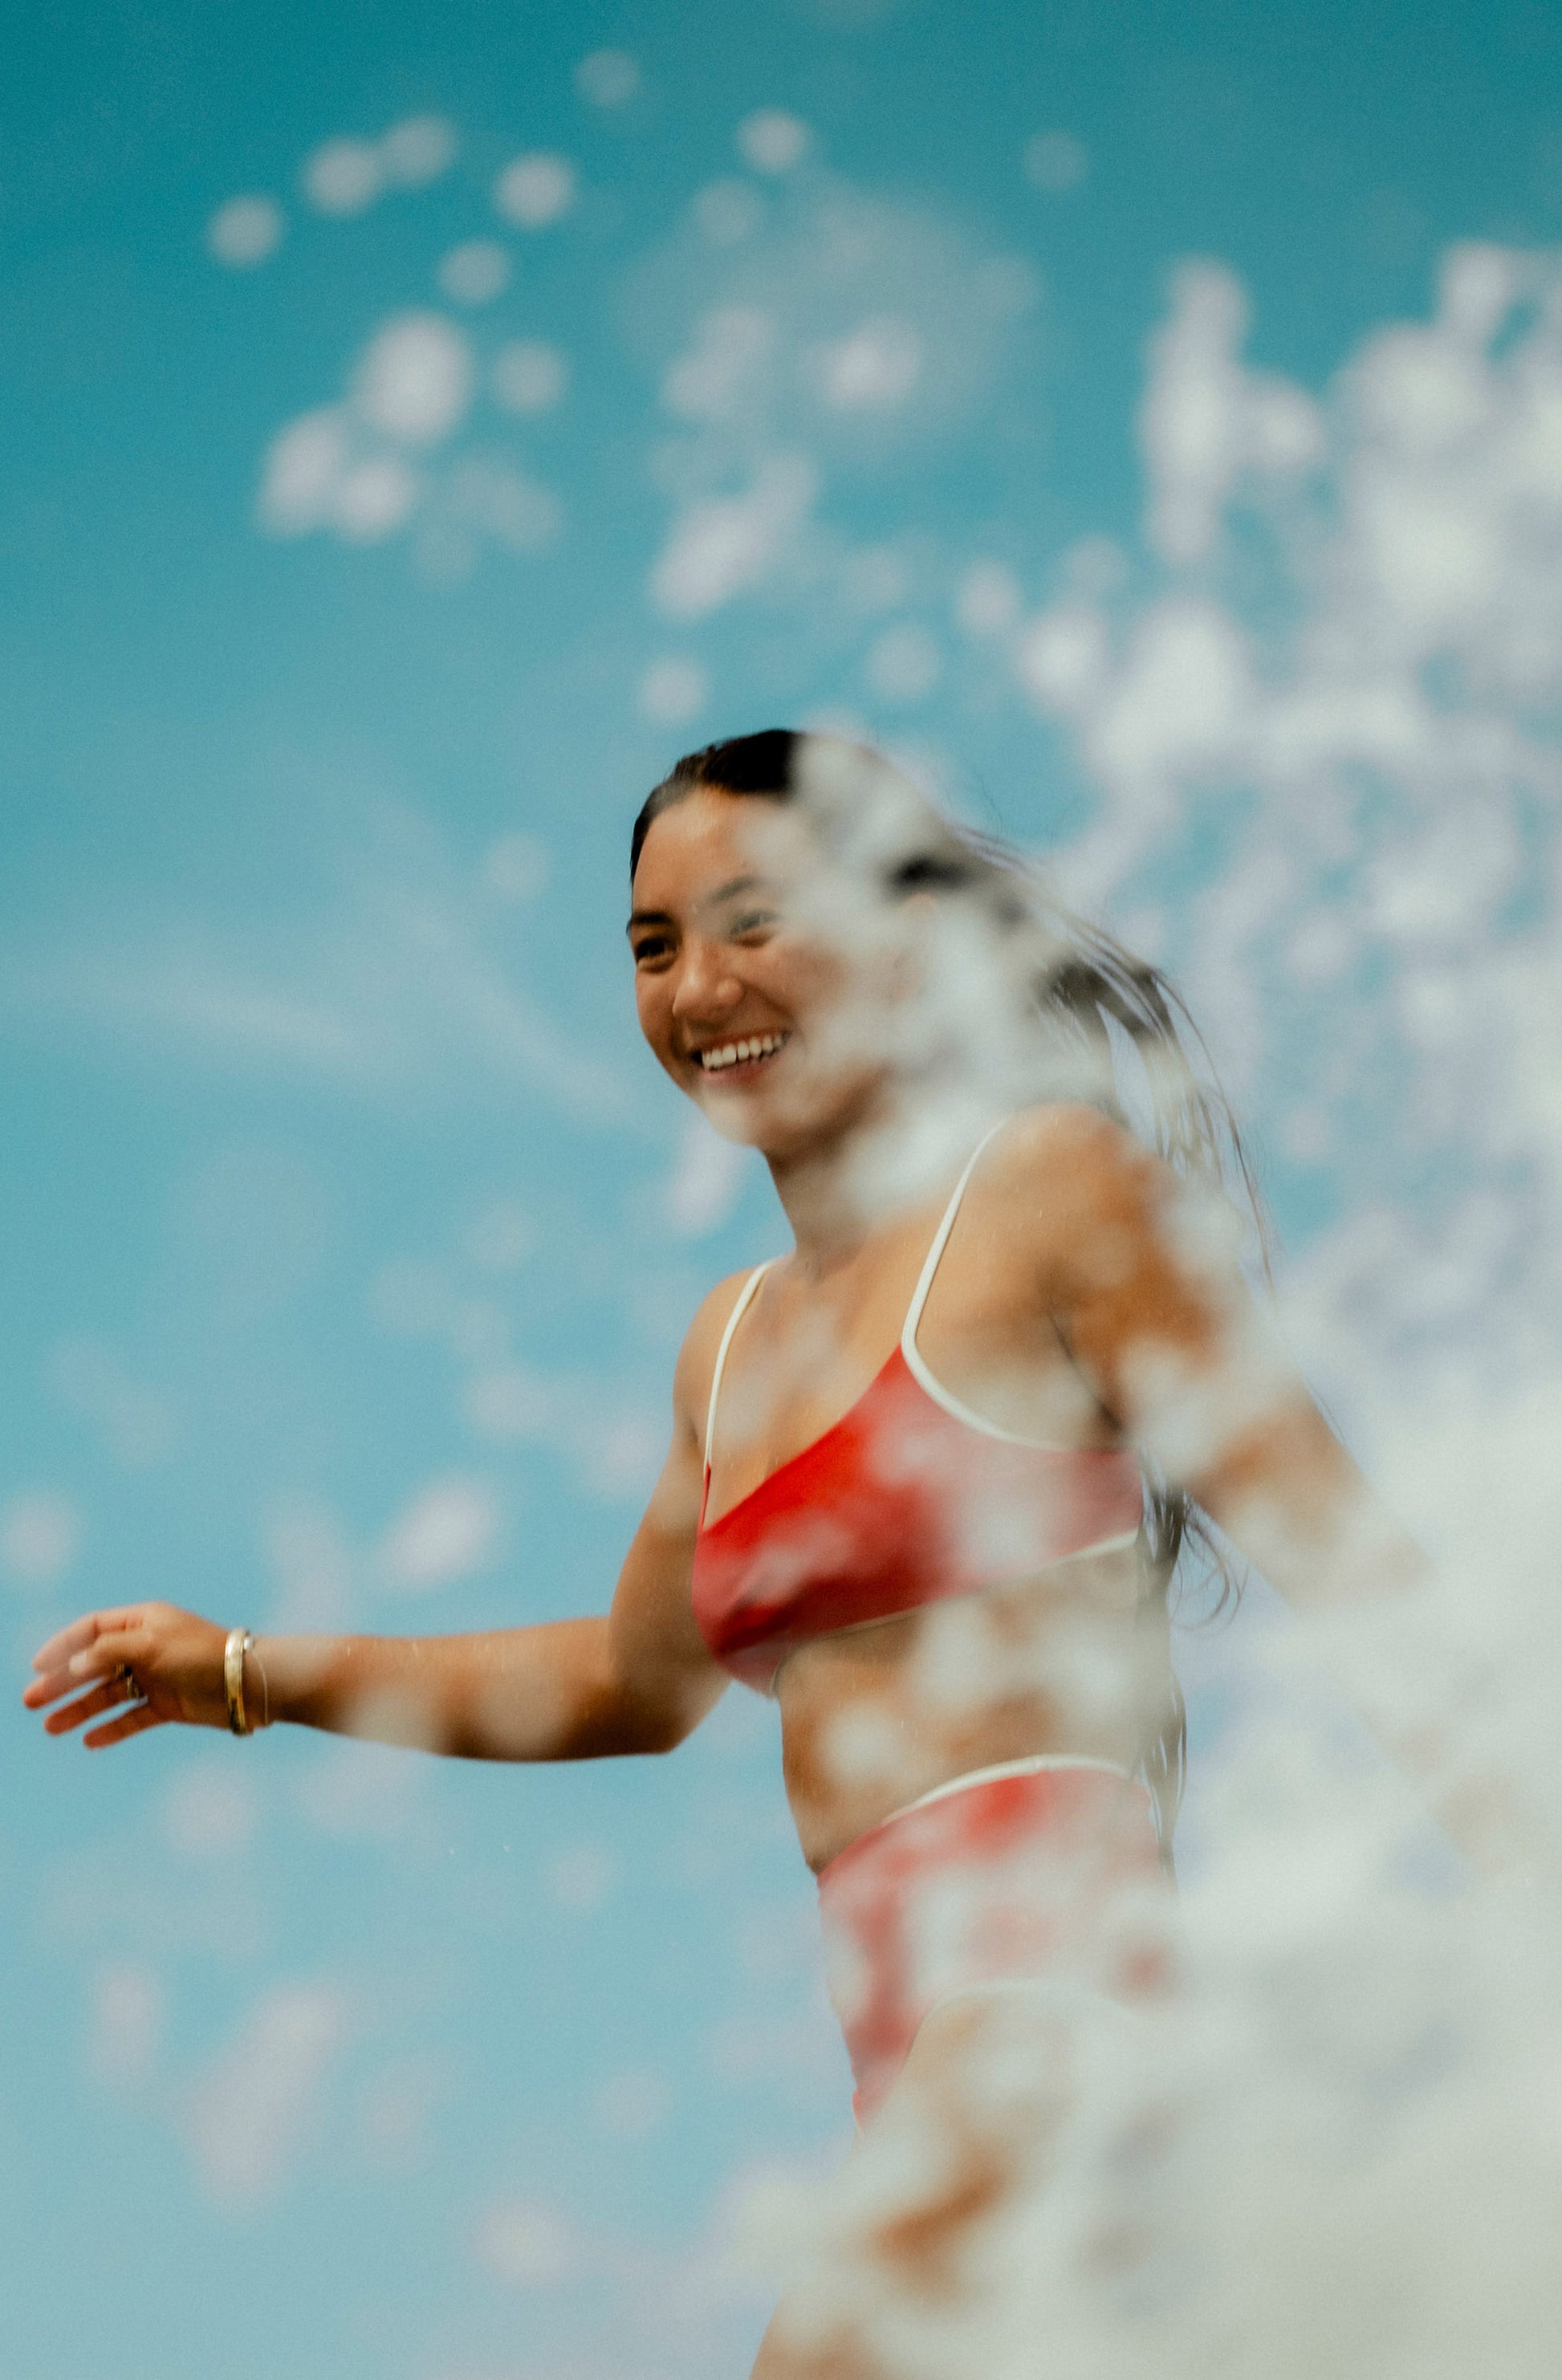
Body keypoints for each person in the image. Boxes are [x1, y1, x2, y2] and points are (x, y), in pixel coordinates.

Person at [25, 730, 1435, 2377]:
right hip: (898, 2074)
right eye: (651, 945)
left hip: (1056, 2008)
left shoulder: (1048, 1193)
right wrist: (246, 1673)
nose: (700, 990)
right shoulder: (730, 1344)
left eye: (754, 922)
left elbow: (1359, 1577)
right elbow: (627, 1681)